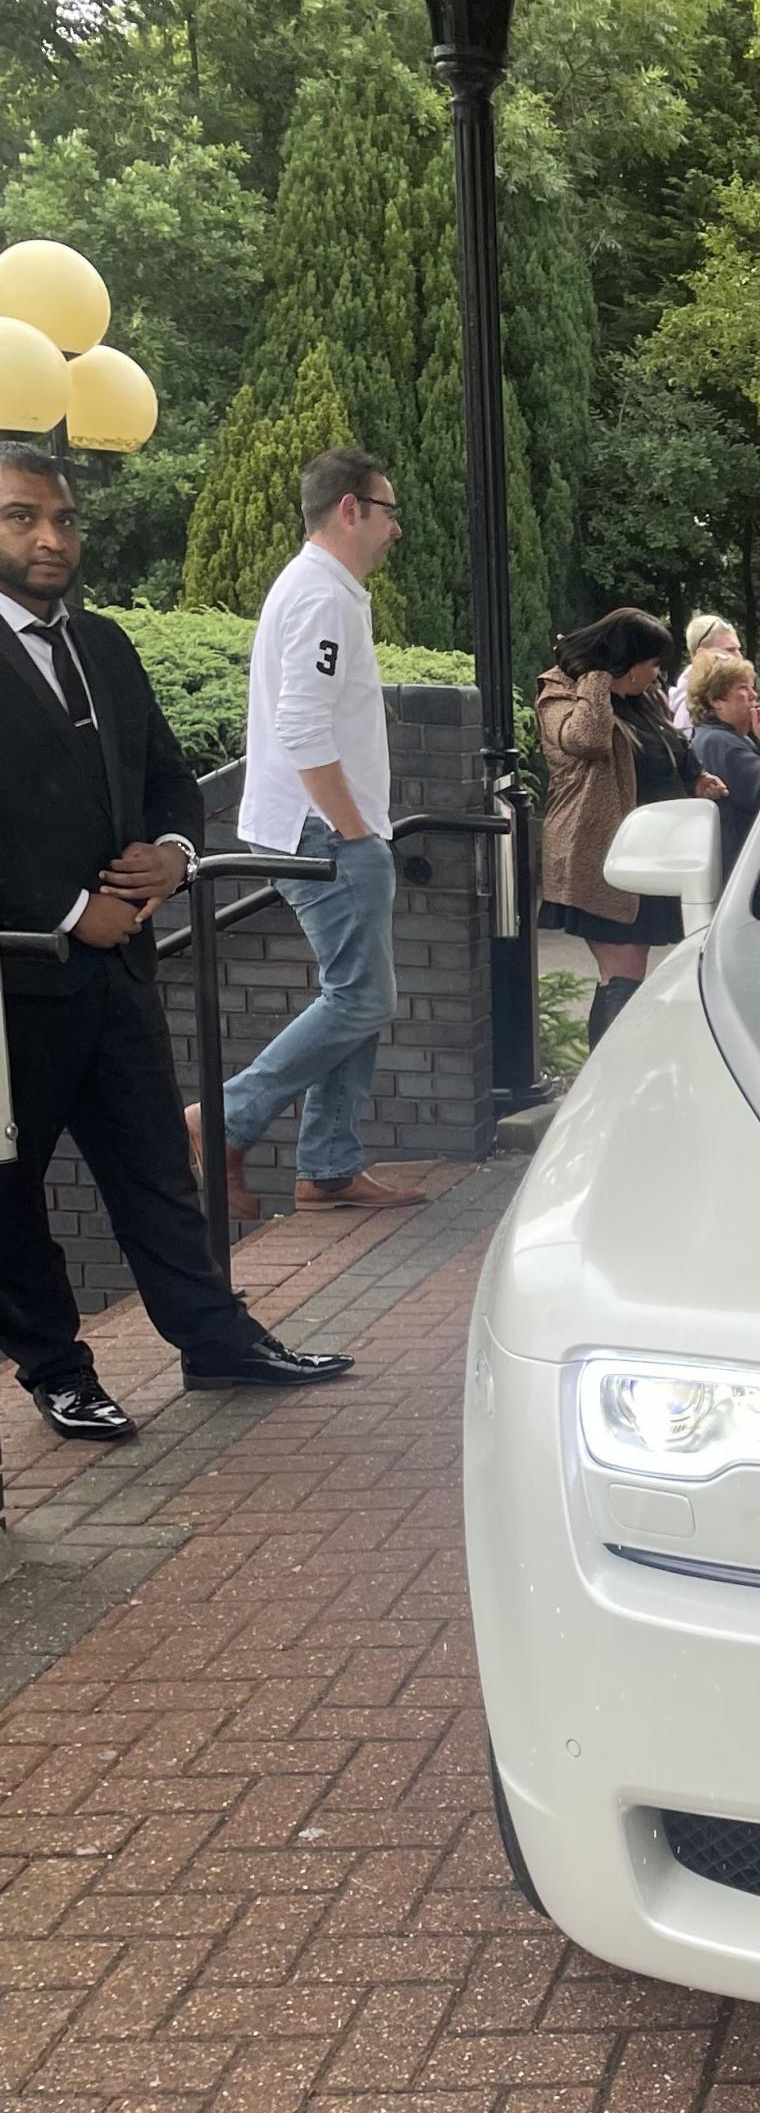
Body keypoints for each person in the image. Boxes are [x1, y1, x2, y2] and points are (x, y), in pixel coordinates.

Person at [0, 447, 352, 1438]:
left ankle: (215, 1338)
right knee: (11, 1193)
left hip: (121, 975)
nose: (49, 538)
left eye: (63, 519)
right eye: (22, 518)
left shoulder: (104, 644)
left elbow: (165, 776)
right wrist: (69, 910)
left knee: (158, 1167)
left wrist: (170, 851)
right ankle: (57, 1367)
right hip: (17, 987)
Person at [193, 446, 426, 1223]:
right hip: (323, 835)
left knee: (354, 994)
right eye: (390, 511)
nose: (397, 530)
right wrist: (355, 830)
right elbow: (300, 722)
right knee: (364, 997)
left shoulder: (319, 589)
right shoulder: (324, 596)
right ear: (352, 509)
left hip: (312, 829)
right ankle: (221, 1119)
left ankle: (328, 1167)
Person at [537, 611, 726, 1046]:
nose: (658, 673)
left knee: (637, 970)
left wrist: (695, 776)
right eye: (652, 663)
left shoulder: (643, 694)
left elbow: (669, 742)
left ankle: (629, 1067)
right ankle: (608, 1074)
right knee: (623, 971)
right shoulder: (560, 694)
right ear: (625, 660)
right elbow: (586, 741)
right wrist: (595, 679)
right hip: (601, 856)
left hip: (657, 852)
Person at [684, 646, 760, 868]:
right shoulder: (723, 745)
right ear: (716, 700)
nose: (754, 695)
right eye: (743, 688)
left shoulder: (724, 738)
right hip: (741, 865)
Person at [668, 610, 740, 735]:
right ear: (701, 654)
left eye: (738, 649)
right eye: (730, 650)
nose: (739, 657)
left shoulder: (709, 693)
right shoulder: (691, 705)